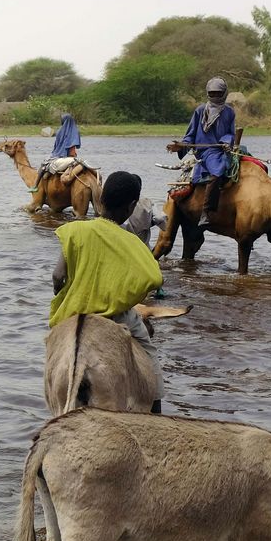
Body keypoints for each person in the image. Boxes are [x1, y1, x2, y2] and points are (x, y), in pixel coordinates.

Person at [50, 171, 166, 412]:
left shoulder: (75, 231)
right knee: (149, 356)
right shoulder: (131, 242)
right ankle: (156, 412)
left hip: (73, 314)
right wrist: (122, 296)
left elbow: (57, 276)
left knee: (53, 349)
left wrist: (69, 292)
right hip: (119, 316)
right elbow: (154, 278)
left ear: (101, 199)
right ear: (132, 206)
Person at [170, 77, 237, 226]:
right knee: (218, 171)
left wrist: (226, 142)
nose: (214, 97)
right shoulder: (200, 110)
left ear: (224, 93)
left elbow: (231, 133)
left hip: (222, 149)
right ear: (207, 93)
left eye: (218, 93)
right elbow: (190, 135)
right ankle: (206, 211)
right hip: (206, 151)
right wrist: (181, 146)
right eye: (212, 93)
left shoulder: (229, 112)